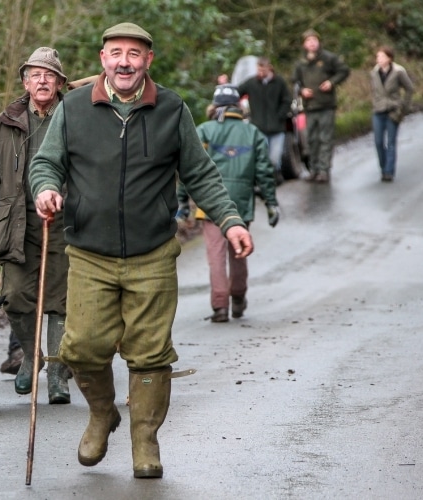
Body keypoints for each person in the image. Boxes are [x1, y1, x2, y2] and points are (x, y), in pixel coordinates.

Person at [29, 23, 253, 478]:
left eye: (134, 53)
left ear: (148, 60)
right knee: (83, 347)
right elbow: (46, 162)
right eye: (116, 52)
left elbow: (202, 174)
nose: (125, 61)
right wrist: (47, 188)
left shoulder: (171, 108)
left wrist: (230, 221)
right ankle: (101, 413)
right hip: (89, 252)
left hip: (152, 253)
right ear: (102, 59)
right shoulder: (73, 107)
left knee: (150, 352)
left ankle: (144, 440)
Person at [0, 47, 72, 405]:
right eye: (35, 74)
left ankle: (56, 373)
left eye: (49, 75)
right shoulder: (4, 123)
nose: (42, 80)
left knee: (60, 301)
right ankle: (32, 355)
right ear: (25, 82)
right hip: (15, 224)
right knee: (17, 299)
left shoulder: (74, 117)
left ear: (59, 82)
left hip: (64, 222)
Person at [178, 84, 279, 323]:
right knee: (239, 251)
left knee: (216, 254)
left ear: (215, 105)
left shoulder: (204, 131)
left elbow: (189, 169)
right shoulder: (253, 133)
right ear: (237, 107)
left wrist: (182, 199)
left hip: (210, 202)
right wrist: (271, 203)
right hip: (242, 202)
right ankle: (239, 297)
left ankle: (220, 306)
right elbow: (265, 171)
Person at [292, 29, 349, 183]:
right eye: (308, 41)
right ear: (304, 44)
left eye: (314, 40)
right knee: (311, 140)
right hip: (309, 106)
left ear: (318, 42)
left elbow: (344, 71)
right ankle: (313, 169)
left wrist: (331, 82)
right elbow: (295, 81)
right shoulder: (301, 63)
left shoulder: (329, 58)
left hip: (326, 105)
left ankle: (324, 170)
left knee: (325, 138)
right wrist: (303, 90)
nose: (312, 43)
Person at [237, 57, 293, 181]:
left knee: (274, 157)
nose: (260, 73)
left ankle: (276, 174)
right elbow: (237, 92)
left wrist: (281, 115)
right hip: (259, 126)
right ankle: (265, 180)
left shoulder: (279, 82)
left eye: (263, 70)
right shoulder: (251, 83)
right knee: (262, 155)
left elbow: (287, 99)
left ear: (269, 68)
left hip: (277, 127)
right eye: (258, 70)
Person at [370, 45, 415, 182]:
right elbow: (373, 90)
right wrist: (375, 102)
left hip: (393, 110)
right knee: (378, 142)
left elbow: (409, 89)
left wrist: (404, 108)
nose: (379, 59)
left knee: (391, 142)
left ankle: (389, 172)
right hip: (378, 110)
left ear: (389, 58)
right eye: (378, 56)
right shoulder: (374, 72)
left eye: (382, 56)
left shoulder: (398, 71)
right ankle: (383, 167)